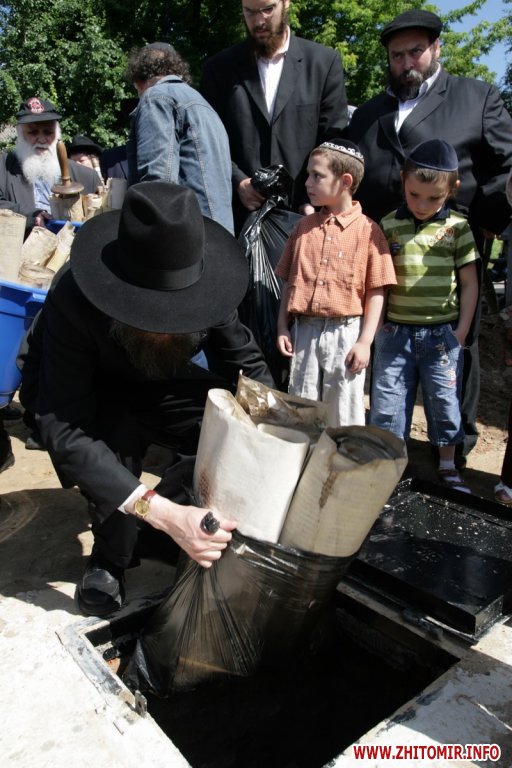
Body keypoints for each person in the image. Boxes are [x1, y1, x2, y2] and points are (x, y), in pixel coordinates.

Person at [18, 181, 274, 617]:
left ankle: (155, 531)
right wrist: (161, 512)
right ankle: (111, 556)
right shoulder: (75, 297)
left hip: (160, 378)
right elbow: (64, 425)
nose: (166, 323)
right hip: (87, 387)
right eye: (151, 314)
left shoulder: (208, 282)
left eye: (179, 312)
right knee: (115, 436)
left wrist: (277, 425)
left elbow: (246, 364)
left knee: (223, 424)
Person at [347, 9, 512, 465]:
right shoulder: (368, 113)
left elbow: (506, 165)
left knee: (455, 354)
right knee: (387, 351)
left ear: (437, 48)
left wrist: (488, 219)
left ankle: (453, 452)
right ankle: (389, 446)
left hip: (450, 253)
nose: (406, 63)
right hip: (383, 253)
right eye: (396, 56)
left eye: (415, 52)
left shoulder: (476, 98)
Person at [369, 140, 479, 493]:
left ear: (452, 189)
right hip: (395, 334)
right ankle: (389, 466)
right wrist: (379, 328)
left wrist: (461, 332)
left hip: (441, 336)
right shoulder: (388, 224)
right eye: (414, 194)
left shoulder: (458, 228)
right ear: (403, 180)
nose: (421, 205)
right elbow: (380, 279)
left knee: (444, 401)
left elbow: (470, 283)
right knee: (387, 401)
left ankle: (448, 465)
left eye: (434, 198)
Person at [275, 139, 396, 427]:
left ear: (345, 182)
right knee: (301, 407)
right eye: (308, 174)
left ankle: (340, 456)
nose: (307, 183)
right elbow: (290, 281)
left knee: (343, 408)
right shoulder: (302, 228)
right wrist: (282, 326)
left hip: (346, 333)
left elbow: (376, 291)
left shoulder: (369, 231)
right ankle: (303, 454)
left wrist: (365, 341)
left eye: (317, 175)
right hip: (304, 330)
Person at [201, 0, 349, 233]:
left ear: (286, 3)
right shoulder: (218, 69)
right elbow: (207, 139)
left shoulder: (323, 63)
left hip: (306, 215)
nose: (259, 20)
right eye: (249, 11)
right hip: (239, 220)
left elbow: (333, 140)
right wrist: (237, 181)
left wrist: (312, 196)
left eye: (268, 9)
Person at [127, 42, 234, 233]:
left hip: (186, 239)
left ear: (138, 79)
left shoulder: (156, 97)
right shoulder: (204, 105)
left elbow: (158, 186)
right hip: (219, 237)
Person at [0, 97, 100, 236]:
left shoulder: (88, 177)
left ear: (57, 132)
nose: (41, 139)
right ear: (20, 133)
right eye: (33, 132)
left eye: (48, 132)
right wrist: (31, 216)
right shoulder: (3, 167)